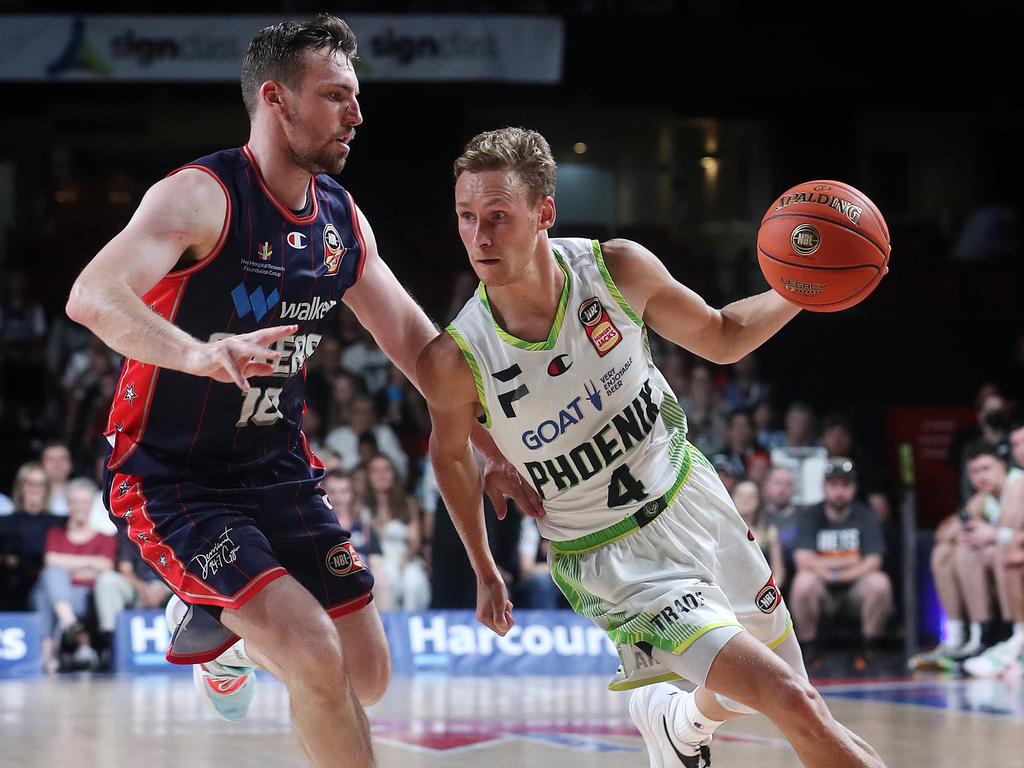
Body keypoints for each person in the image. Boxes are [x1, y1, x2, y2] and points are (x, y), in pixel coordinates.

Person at [64, 18, 538, 767]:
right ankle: (227, 613)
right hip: (173, 475)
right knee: (315, 652)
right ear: (277, 99)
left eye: (356, 97)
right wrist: (197, 352)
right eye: (337, 96)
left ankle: (234, 644)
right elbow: (92, 295)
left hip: (276, 469)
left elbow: (420, 350)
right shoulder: (201, 197)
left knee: (368, 677)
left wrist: (491, 444)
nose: (357, 114)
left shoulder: (341, 220)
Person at [417, 127, 886, 768]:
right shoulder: (456, 357)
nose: (479, 237)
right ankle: (677, 715)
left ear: (544, 213)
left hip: (692, 498)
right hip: (615, 562)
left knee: (777, 696)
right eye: (467, 218)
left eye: (497, 216)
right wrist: (484, 568)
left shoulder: (616, 269)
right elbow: (448, 456)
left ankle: (676, 720)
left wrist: (801, 287)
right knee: (794, 701)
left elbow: (720, 337)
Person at [790, 457, 893, 671]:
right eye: (834, 485)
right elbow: (803, 560)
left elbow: (874, 562)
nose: (839, 491)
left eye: (845, 485)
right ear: (824, 487)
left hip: (855, 590)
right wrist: (850, 560)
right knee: (803, 582)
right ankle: (808, 649)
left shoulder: (865, 515)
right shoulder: (811, 515)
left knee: (879, 583)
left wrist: (832, 569)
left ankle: (869, 648)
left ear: (854, 487)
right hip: (822, 590)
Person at [32, 478, 116, 671]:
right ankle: (74, 630)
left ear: (91, 506)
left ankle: (49, 654)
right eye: (74, 502)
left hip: (84, 597)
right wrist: (89, 564)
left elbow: (106, 567)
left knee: (48, 593)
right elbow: (51, 562)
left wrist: (65, 568)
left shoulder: (105, 538)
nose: (80, 507)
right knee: (51, 578)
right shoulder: (55, 533)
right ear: (68, 505)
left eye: (84, 502)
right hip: (68, 594)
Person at [961, 424, 1024, 677]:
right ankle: (983, 637)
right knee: (958, 553)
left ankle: (1016, 641)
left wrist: (997, 534)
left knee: (1007, 553)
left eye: (985, 468)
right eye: (1016, 444)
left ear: (1001, 464)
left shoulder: (1017, 482)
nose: (1020, 449)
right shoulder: (985, 495)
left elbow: (1009, 530)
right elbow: (952, 529)